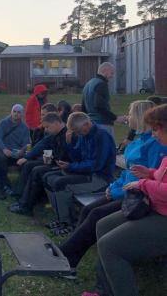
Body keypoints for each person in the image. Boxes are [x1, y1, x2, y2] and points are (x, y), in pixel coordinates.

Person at [59, 100, 166, 278]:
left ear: (139, 117)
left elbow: (149, 179)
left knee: (96, 215)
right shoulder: (140, 140)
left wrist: (116, 191)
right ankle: (71, 252)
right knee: (88, 210)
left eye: (130, 113)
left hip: (137, 197)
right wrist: (113, 187)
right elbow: (129, 172)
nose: (127, 116)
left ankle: (67, 258)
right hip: (125, 189)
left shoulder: (155, 145)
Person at [84, 104, 167, 296]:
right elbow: (162, 176)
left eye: (156, 129)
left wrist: (144, 183)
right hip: (155, 209)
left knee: (110, 247)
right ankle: (105, 290)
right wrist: (151, 173)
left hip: (163, 217)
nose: (153, 134)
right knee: (102, 225)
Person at [44, 112, 116, 235]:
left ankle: (69, 223)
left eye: (78, 131)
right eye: (75, 132)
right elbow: (78, 157)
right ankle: (61, 219)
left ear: (87, 124)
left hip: (100, 178)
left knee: (61, 184)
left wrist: (71, 167)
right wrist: (69, 144)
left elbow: (97, 165)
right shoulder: (84, 134)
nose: (77, 134)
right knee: (48, 178)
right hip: (86, 173)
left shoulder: (101, 136)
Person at [9, 113, 70, 215]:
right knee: (30, 165)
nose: (45, 130)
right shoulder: (55, 134)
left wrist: (55, 159)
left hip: (64, 166)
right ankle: (22, 199)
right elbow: (42, 144)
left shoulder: (67, 134)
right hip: (55, 162)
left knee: (37, 171)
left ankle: (26, 206)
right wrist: (26, 157)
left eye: (47, 127)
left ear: (55, 123)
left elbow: (66, 155)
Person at [11, 103, 58, 198]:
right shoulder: (41, 129)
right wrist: (24, 151)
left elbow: (43, 144)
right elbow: (34, 144)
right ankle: (22, 192)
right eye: (41, 114)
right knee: (24, 162)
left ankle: (21, 194)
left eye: (44, 115)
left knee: (29, 164)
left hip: (51, 159)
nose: (41, 117)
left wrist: (27, 157)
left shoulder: (53, 129)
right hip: (40, 156)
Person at [81, 62, 124, 137]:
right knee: (106, 147)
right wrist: (115, 118)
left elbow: (83, 107)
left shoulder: (88, 84)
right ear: (105, 71)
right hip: (103, 125)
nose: (112, 76)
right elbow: (100, 105)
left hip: (91, 124)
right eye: (111, 73)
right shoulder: (101, 84)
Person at [0, 104, 30, 195]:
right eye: (14, 111)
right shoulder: (3, 123)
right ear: (11, 112)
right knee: (1, 158)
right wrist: (4, 149)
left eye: (18, 112)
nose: (16, 114)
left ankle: (21, 188)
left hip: (17, 152)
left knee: (26, 162)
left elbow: (27, 143)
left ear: (22, 114)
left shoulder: (25, 128)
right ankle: (5, 185)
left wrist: (21, 151)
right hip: (5, 150)